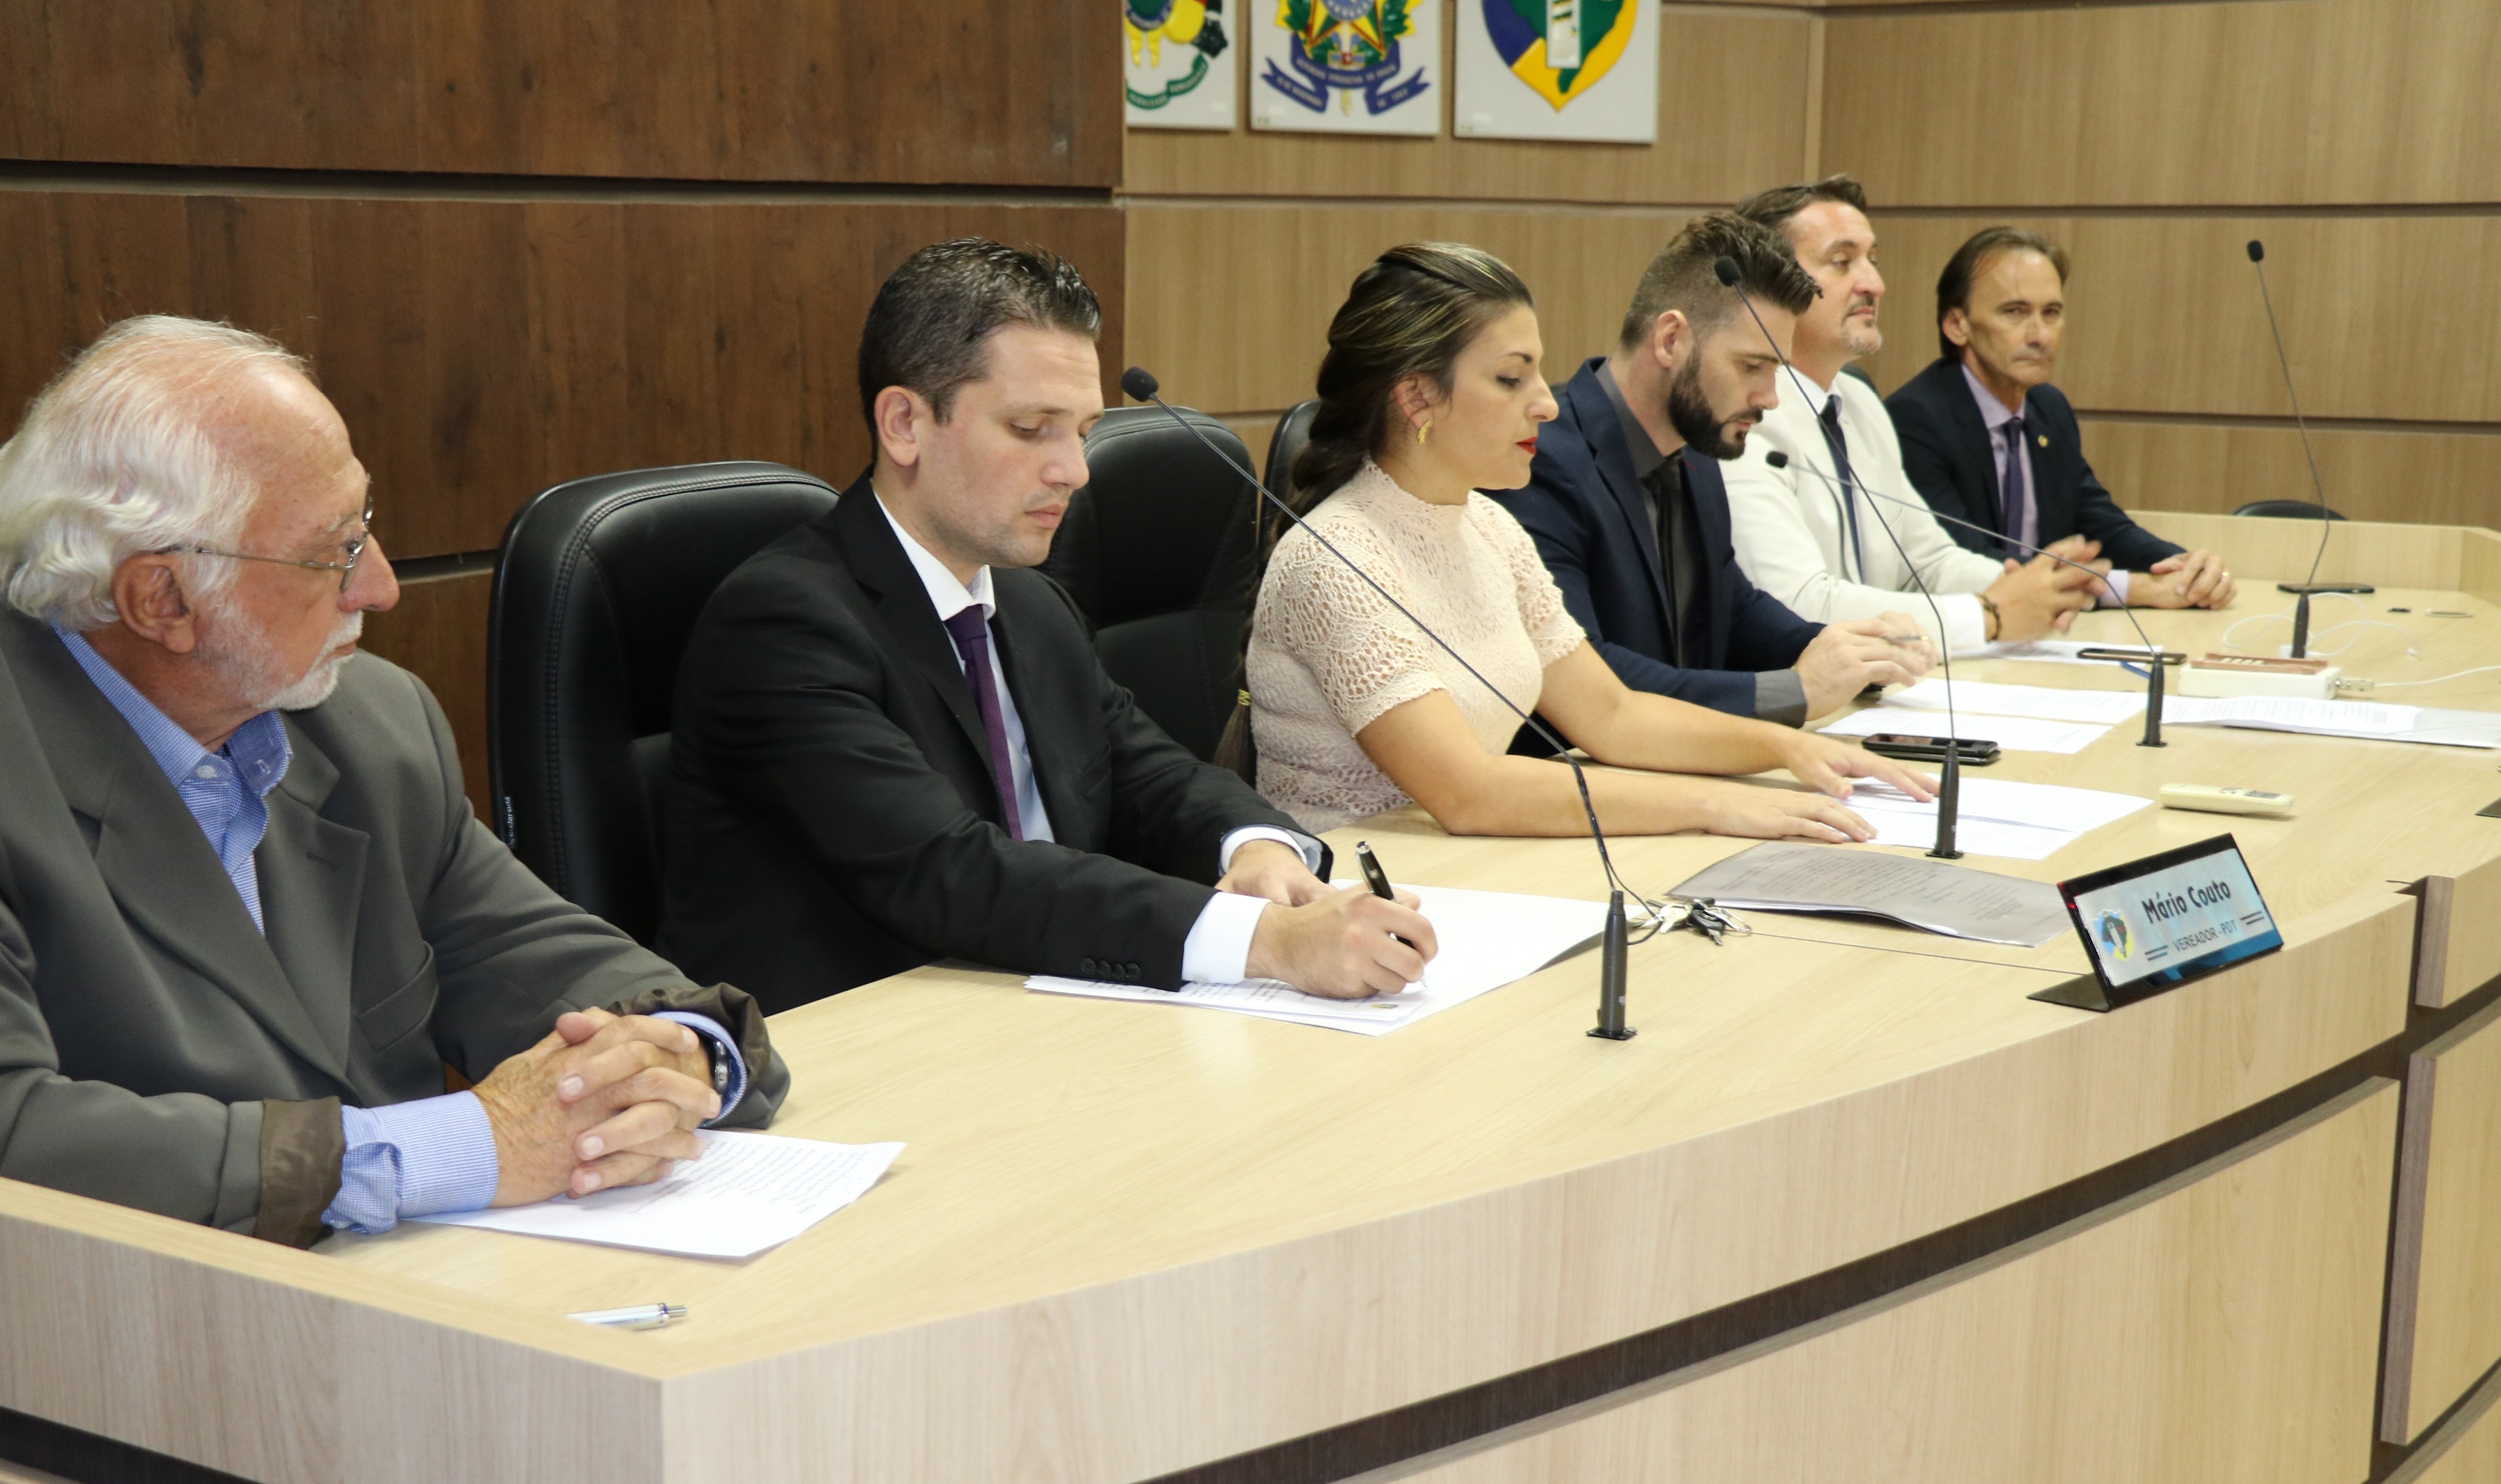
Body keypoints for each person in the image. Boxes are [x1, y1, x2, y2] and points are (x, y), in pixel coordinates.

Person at [0, 317, 787, 1247]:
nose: (380, 586)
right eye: (334, 553)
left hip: (408, 1289)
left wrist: (677, 1052)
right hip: (121, 1314)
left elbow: (537, 956)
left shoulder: (370, 721)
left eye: (364, 526)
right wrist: (459, 1147)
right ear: (161, 598)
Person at [660, 238, 1433, 1012]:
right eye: (1032, 428)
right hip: (858, 1039)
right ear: (903, 424)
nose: (1075, 471)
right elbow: (952, 872)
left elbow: (1152, 777)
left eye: (1083, 431)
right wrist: (1266, 940)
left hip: (1033, 1009)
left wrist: (1255, 846)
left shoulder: (1029, 603)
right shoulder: (781, 625)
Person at [1242, 240, 1934, 841]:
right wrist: (1713, 804)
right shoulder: (1333, 558)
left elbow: (1612, 715)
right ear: (1417, 397)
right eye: (1511, 378)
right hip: (1357, 898)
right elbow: (1469, 791)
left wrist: (1785, 748)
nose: (1546, 402)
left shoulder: (1488, 526)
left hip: (1470, 876)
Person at [1484, 212, 1932, 726]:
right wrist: (1796, 690)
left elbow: (1732, 610)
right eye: (1752, 366)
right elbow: (1588, 673)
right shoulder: (1542, 462)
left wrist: (1846, 653)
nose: (1770, 398)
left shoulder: (1696, 452)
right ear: (1671, 340)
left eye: (1777, 370)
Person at [1724, 177, 2098, 655]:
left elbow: (1927, 563)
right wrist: (1989, 615)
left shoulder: (1860, 403)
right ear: (1765, 285)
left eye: (1873, 261)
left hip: (1885, 677)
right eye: (1842, 262)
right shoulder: (1739, 415)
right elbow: (1798, 603)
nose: (1874, 284)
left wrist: (2035, 588)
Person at [1887, 226, 2236, 610]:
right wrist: (2134, 589)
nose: (2040, 335)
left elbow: (2101, 525)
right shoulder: (1915, 418)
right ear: (1958, 325)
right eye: (2015, 312)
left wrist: (2182, 567)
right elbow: (1961, 561)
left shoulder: (2047, 408)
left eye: (2051, 313)